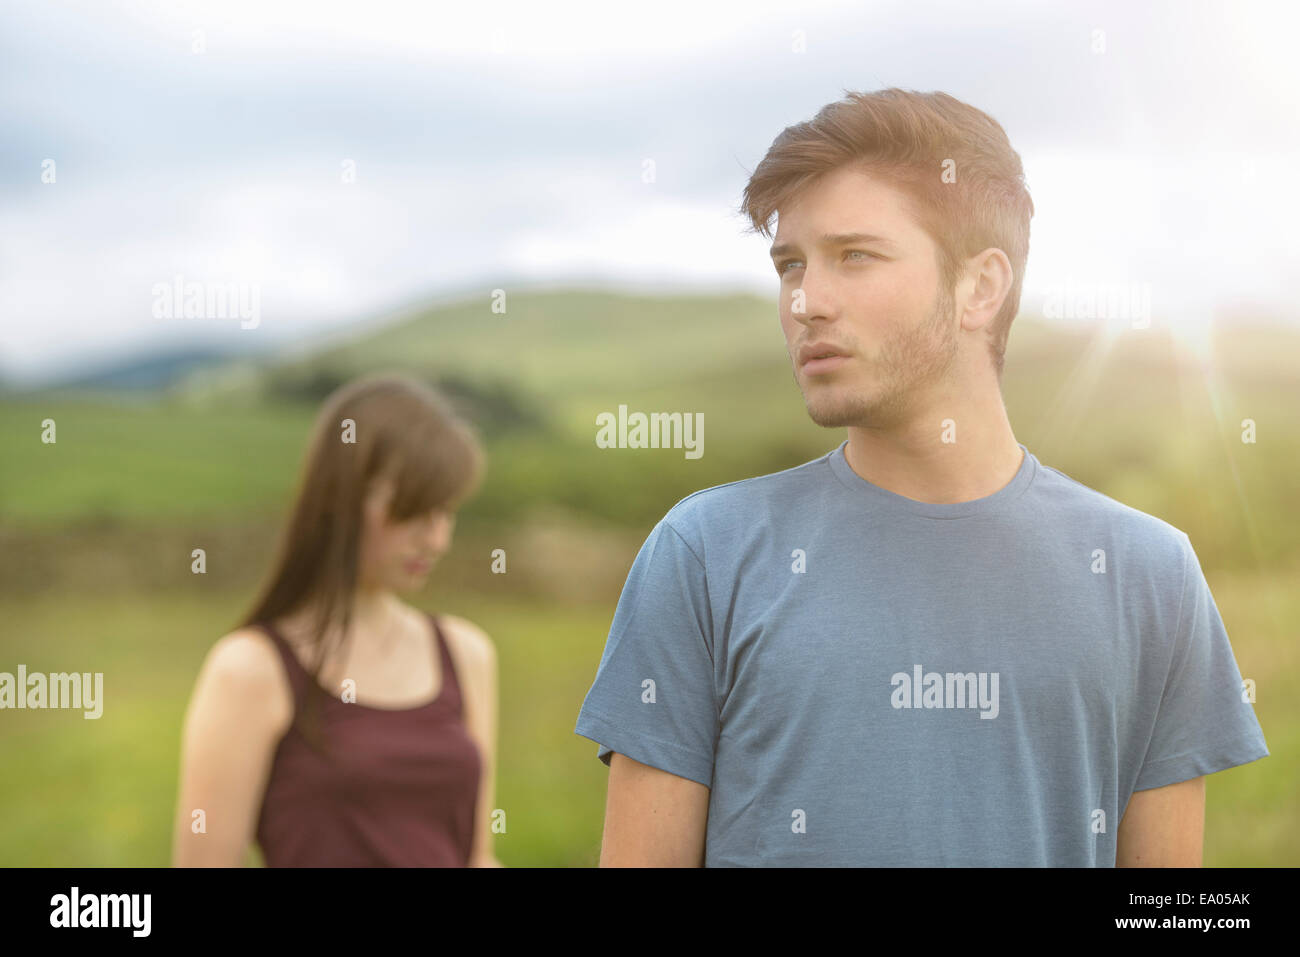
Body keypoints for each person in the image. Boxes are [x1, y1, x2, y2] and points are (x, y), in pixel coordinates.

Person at [574, 88, 1268, 867]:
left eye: (854, 256)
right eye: (789, 265)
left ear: (980, 287)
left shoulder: (1151, 574)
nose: (806, 301)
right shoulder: (704, 555)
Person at [173, 372, 501, 867]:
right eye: (412, 510)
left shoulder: (465, 652)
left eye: (446, 512)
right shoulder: (249, 669)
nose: (437, 541)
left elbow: (477, 857)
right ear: (343, 497)